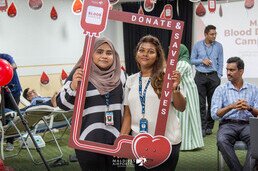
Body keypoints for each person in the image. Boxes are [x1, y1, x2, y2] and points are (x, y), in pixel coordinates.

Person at [56, 37, 126, 171]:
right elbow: (63, 105)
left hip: (117, 141)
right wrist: (73, 86)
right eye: (99, 51)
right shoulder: (80, 73)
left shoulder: (121, 75)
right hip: (87, 141)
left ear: (114, 56)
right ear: (91, 53)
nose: (104, 56)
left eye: (109, 53)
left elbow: (127, 107)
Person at [120, 35, 186, 170]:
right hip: (138, 143)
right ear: (136, 53)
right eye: (142, 50)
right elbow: (128, 115)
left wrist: (175, 89)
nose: (145, 54)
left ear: (157, 55)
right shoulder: (131, 80)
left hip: (167, 141)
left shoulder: (167, 77)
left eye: (151, 51)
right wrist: (122, 139)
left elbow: (181, 107)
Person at [211, 57, 258, 171]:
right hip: (227, 125)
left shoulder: (253, 89)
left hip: (248, 124)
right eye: (227, 69)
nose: (228, 73)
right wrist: (230, 107)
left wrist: (249, 108)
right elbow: (214, 114)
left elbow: (257, 112)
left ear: (241, 71)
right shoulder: (221, 89)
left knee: (256, 141)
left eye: (232, 70)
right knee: (222, 140)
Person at [190, 25, 223, 137]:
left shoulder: (219, 46)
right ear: (205, 34)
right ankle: (202, 127)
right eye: (211, 34)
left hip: (213, 76)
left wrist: (219, 75)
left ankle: (209, 126)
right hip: (200, 76)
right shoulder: (197, 45)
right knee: (201, 103)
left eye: (215, 34)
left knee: (213, 102)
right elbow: (192, 60)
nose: (214, 36)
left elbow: (221, 62)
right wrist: (202, 61)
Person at [175, 44, 204, 151]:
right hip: (186, 91)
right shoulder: (182, 61)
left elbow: (174, 76)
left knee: (185, 117)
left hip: (187, 93)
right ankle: (192, 143)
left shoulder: (182, 63)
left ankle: (185, 144)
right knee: (189, 117)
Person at [0, 53, 22, 151]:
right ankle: (3, 139)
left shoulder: (5, 57)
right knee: (3, 116)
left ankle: (10, 143)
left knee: (12, 117)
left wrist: (6, 69)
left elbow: (14, 66)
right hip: (3, 93)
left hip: (14, 91)